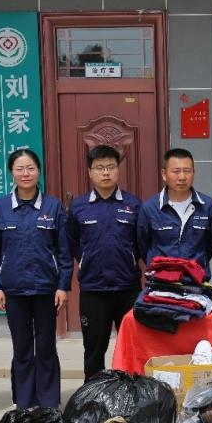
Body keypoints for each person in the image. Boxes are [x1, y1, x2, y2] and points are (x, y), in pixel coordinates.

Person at [0, 149, 72, 409]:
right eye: (20, 168)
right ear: (12, 172)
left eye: (31, 168)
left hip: (46, 290)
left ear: (39, 171)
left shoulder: (52, 206)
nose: (25, 173)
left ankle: (48, 403)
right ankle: (23, 402)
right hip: (13, 291)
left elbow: (64, 252)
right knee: (21, 348)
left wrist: (63, 286)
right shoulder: (0, 207)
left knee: (45, 347)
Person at [66, 145, 142, 381]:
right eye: (100, 167)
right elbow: (72, 243)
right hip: (93, 290)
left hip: (127, 289)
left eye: (110, 167)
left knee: (131, 348)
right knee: (93, 350)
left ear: (118, 170)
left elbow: (141, 242)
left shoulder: (133, 204)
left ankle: (131, 393)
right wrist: (88, 261)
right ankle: (93, 394)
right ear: (90, 172)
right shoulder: (78, 207)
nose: (106, 172)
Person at [137, 148, 212, 276]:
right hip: (160, 281)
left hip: (196, 280)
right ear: (164, 174)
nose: (182, 177)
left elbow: (210, 244)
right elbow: (143, 247)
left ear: (194, 173)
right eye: (176, 171)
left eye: (187, 171)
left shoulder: (206, 205)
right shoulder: (150, 207)